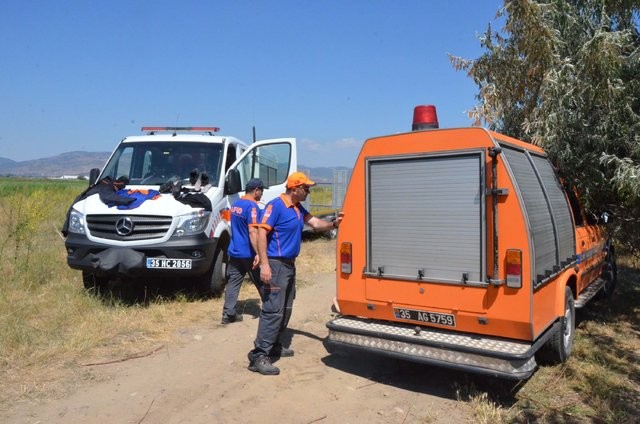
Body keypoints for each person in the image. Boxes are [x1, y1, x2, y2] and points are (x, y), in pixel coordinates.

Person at [247, 171, 343, 375]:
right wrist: (264, 264)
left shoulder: (297, 208)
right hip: (275, 264)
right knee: (273, 309)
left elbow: (315, 223)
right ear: (295, 188)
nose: (308, 191)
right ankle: (259, 355)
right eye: (306, 188)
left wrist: (334, 224)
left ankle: (273, 344)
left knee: (286, 307)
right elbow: (262, 233)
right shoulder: (276, 205)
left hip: (289, 265)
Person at [221, 178, 267, 324]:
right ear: (256, 190)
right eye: (261, 191)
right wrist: (259, 253)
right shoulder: (252, 207)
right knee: (262, 282)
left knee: (233, 283)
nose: (262, 194)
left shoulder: (236, 204)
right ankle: (271, 312)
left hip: (235, 251)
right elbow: (252, 232)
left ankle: (228, 314)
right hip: (249, 254)